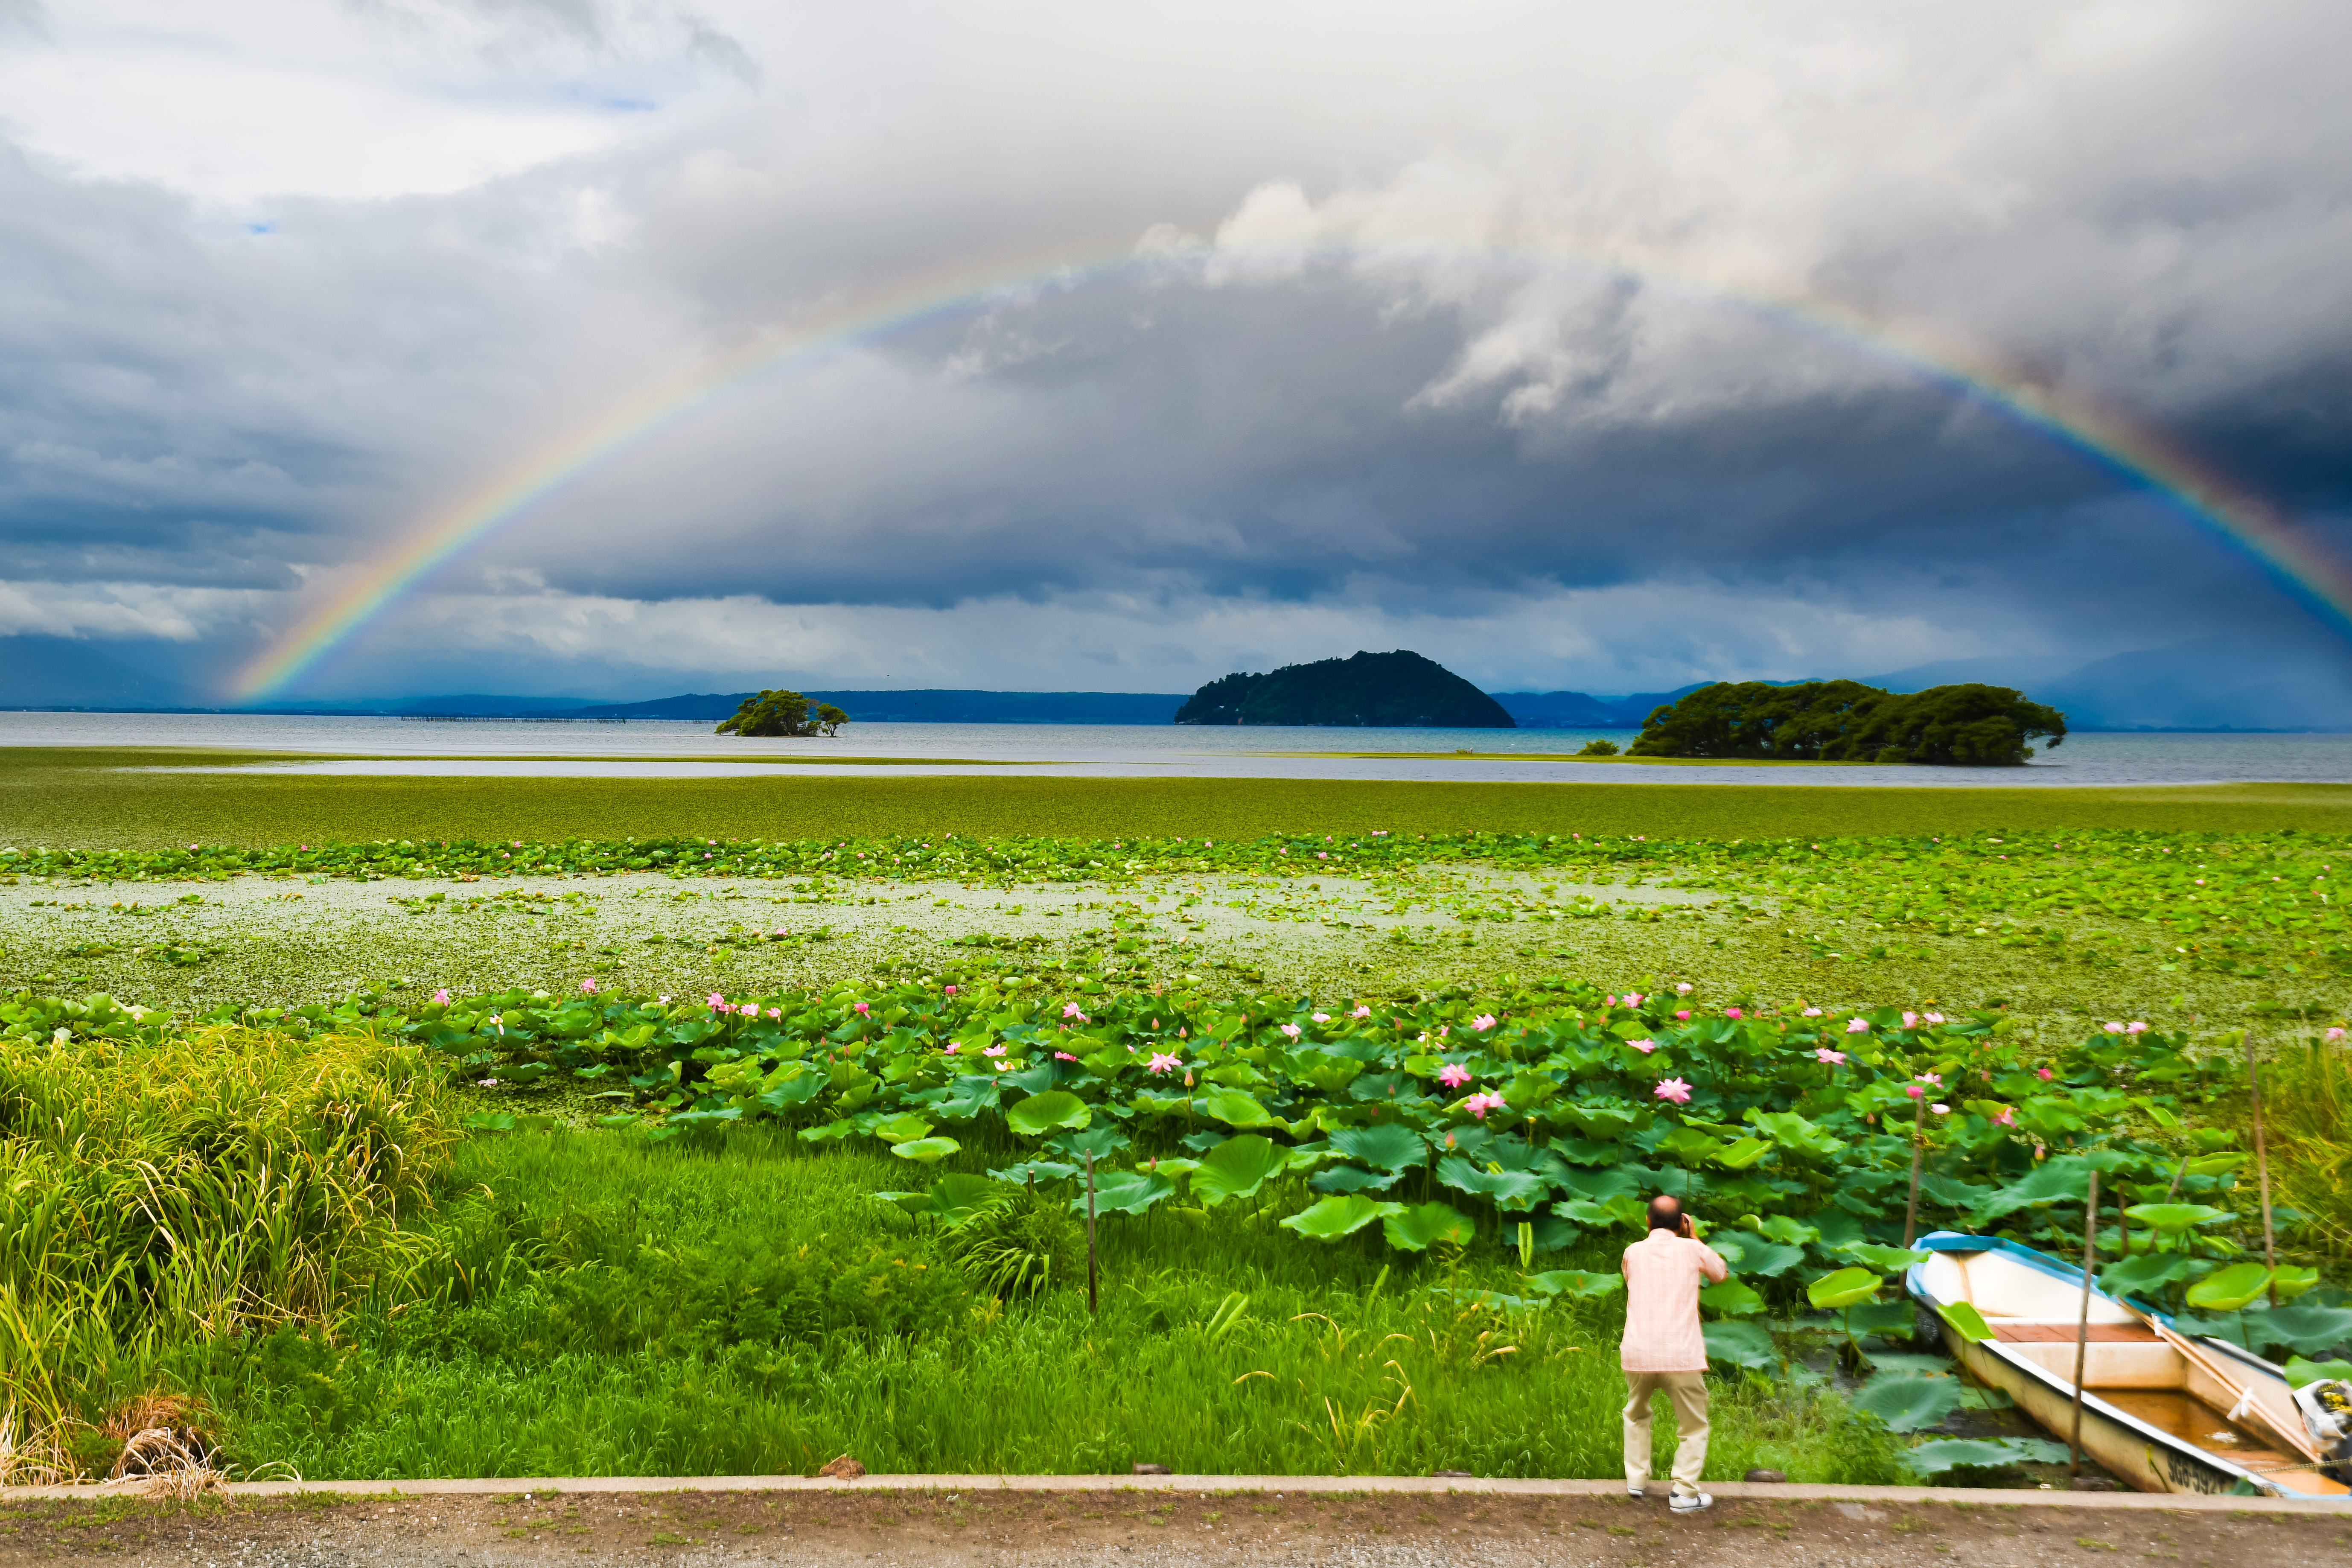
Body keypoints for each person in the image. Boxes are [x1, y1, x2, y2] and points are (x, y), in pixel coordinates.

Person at [1620, 1192, 1727, 1512]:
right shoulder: (1693, 1248)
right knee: (1693, 1425)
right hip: (1681, 1355)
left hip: (1638, 1353)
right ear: (1682, 1223)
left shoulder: (1633, 1252)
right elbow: (1719, 1273)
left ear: (1647, 1221)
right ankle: (1683, 1494)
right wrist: (1694, 1237)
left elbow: (1629, 1280)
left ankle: (1636, 1482)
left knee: (1636, 1414)